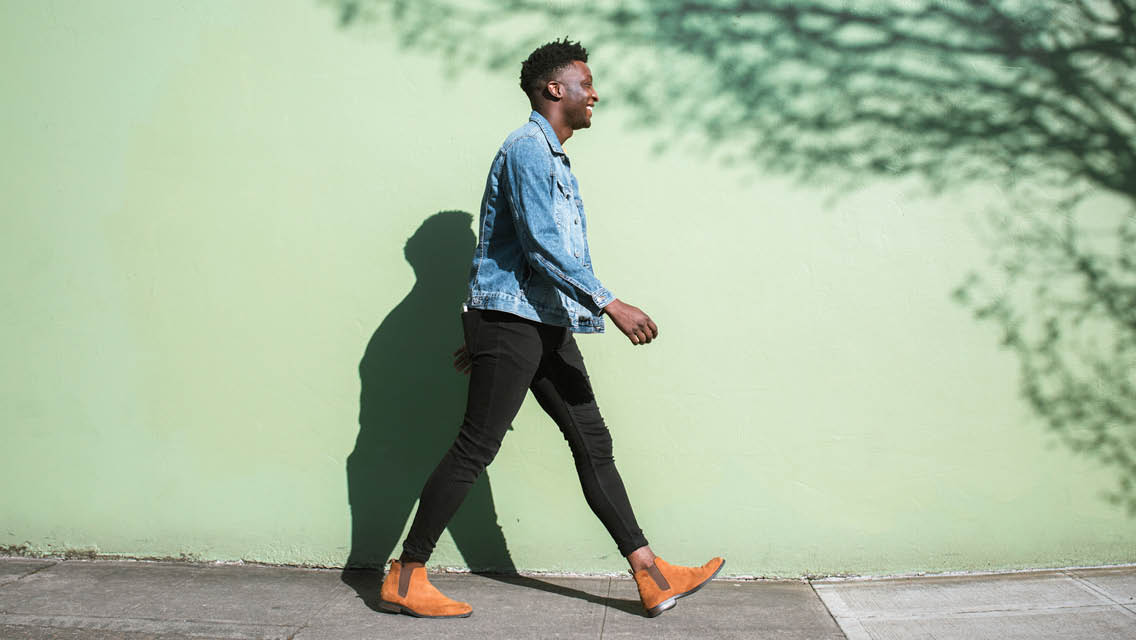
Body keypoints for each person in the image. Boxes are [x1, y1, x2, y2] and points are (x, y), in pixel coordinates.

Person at [378, 38, 723, 619]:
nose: (595, 94)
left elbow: (516, 256)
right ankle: (407, 574)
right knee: (476, 446)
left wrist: (487, 328)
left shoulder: (553, 156)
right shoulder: (527, 150)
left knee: (593, 441)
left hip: (538, 319)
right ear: (554, 89)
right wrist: (610, 304)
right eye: (586, 83)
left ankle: (651, 573)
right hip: (516, 321)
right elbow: (539, 245)